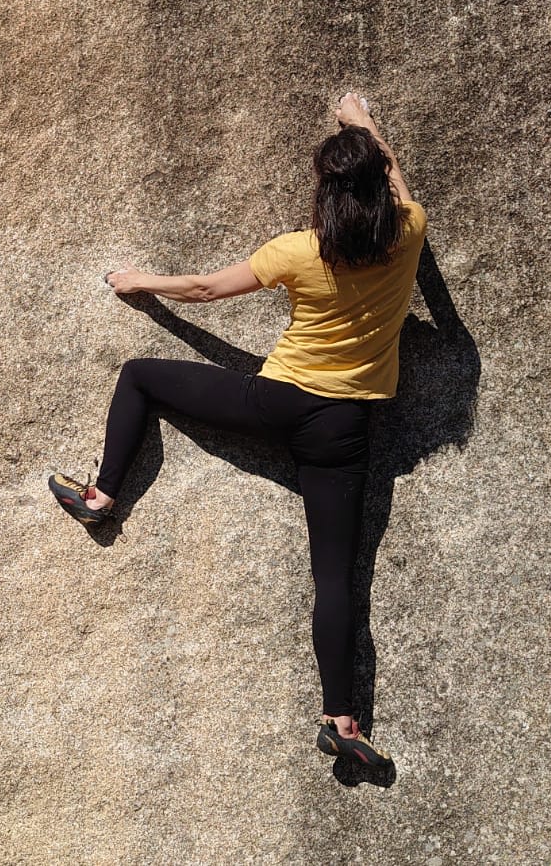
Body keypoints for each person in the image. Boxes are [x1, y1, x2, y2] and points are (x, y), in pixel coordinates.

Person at [49, 92, 425, 768]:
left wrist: (136, 280)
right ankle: (340, 721)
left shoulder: (300, 251)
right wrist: (366, 126)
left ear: (325, 191)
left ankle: (102, 498)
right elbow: (393, 178)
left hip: (276, 402)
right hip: (344, 428)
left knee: (139, 374)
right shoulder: (409, 232)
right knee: (337, 580)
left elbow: (202, 290)